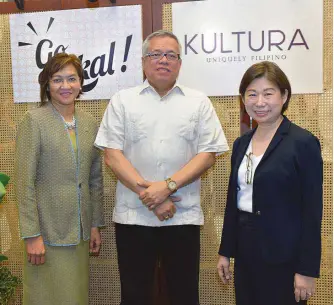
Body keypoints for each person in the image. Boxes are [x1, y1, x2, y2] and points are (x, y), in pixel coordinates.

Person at [95, 30, 229, 305]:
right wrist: (152, 197)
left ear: (180, 63)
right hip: (134, 217)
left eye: (171, 55)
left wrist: (167, 187)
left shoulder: (199, 101)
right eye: (156, 54)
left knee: (184, 294)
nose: (163, 60)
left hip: (182, 216)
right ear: (144, 61)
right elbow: (112, 155)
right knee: (134, 296)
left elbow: (208, 154)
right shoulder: (123, 100)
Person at [217, 61, 323, 305]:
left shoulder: (303, 143)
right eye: (252, 94)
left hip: (284, 256)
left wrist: (307, 270)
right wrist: (226, 251)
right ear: (243, 99)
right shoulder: (241, 144)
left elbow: (312, 211)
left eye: (268, 93)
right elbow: (234, 201)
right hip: (245, 250)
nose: (260, 102)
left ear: (284, 96)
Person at [15, 53, 105, 305]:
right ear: (47, 84)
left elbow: (95, 179)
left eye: (71, 79)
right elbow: (24, 184)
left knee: (75, 296)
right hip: (46, 231)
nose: (65, 86)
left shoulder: (88, 123)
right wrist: (32, 234)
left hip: (80, 230)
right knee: (44, 295)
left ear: (80, 83)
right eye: (57, 80)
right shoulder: (34, 121)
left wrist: (95, 224)